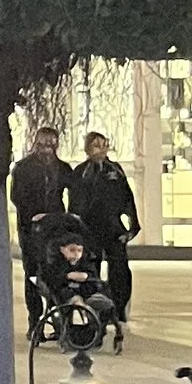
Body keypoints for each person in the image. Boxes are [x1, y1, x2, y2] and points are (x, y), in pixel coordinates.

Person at [69, 131, 140, 332]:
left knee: (119, 269)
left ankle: (118, 308)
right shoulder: (81, 172)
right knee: (91, 269)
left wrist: (132, 226)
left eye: (104, 145)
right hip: (88, 229)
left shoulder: (114, 170)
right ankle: (95, 307)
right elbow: (74, 203)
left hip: (112, 227)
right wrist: (74, 230)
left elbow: (128, 198)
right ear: (87, 149)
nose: (101, 150)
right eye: (96, 145)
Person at [11, 126, 71, 324]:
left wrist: (66, 220)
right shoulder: (23, 168)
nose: (46, 150)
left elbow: (74, 194)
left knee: (56, 274)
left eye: (51, 145)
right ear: (35, 144)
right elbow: (17, 197)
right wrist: (35, 217)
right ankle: (34, 320)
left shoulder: (63, 169)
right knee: (32, 274)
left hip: (56, 229)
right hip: (31, 230)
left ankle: (57, 319)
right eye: (43, 144)